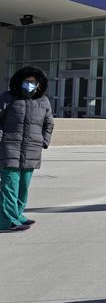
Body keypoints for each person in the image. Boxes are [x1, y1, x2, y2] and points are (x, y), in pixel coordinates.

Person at [0, 67, 54, 232]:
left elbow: (49, 123)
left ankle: (17, 214)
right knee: (10, 186)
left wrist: (43, 141)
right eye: (27, 81)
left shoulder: (43, 101)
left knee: (23, 187)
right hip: (10, 148)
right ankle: (7, 220)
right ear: (19, 82)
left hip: (32, 150)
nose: (30, 85)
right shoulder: (8, 98)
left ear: (39, 84)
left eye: (33, 82)